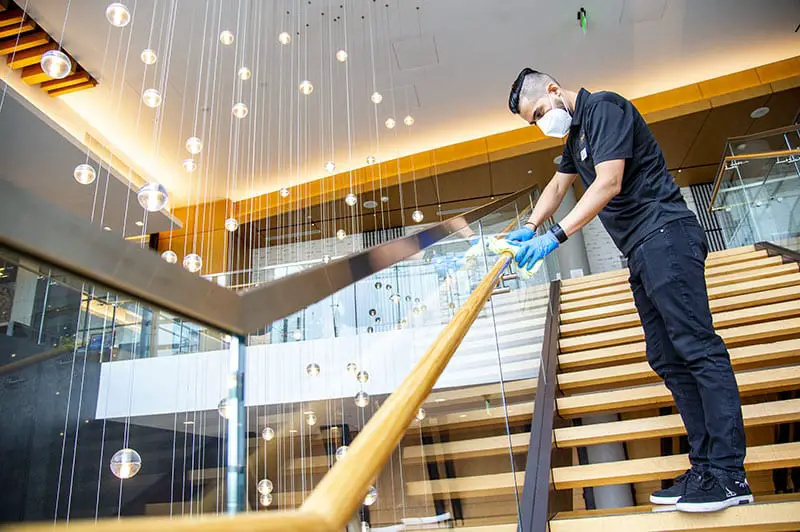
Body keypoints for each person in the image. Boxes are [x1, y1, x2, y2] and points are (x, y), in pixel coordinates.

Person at [506, 68, 751, 513]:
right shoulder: (575, 135)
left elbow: (608, 182)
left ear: (555, 91)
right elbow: (558, 184)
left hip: (666, 234)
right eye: (532, 122)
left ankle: (729, 474)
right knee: (667, 357)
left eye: (539, 112)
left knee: (697, 350)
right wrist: (528, 226)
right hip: (640, 249)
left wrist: (554, 237)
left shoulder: (604, 108)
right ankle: (705, 467)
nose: (541, 123)